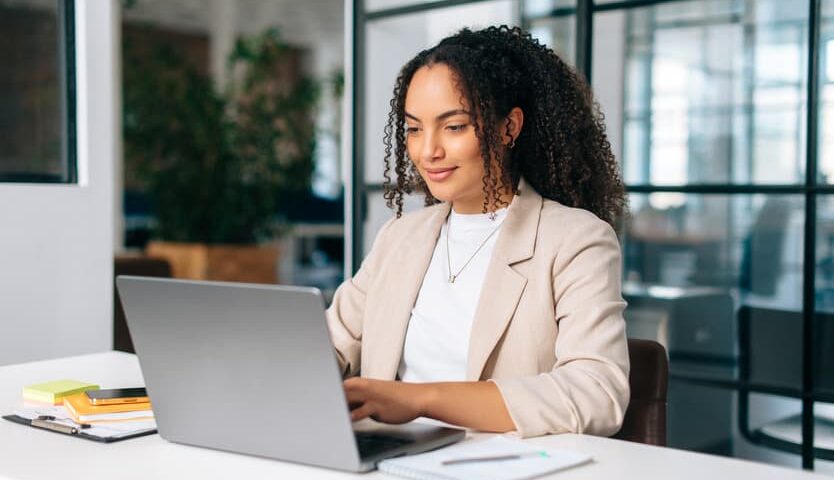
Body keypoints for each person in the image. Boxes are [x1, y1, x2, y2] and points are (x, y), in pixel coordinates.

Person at [326, 25, 629, 438]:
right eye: (414, 129)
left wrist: (418, 399)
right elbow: (327, 345)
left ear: (509, 128)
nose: (428, 150)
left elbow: (597, 394)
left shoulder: (576, 240)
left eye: (454, 127)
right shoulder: (399, 238)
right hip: (392, 461)